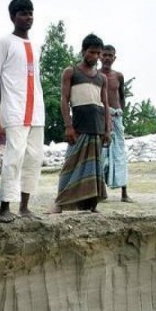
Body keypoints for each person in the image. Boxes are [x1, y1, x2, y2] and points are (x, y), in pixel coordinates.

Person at [0, 0, 45, 222]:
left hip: (36, 111)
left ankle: (25, 206)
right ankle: (5, 207)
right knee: (14, 157)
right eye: (23, 13)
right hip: (14, 110)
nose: (28, 17)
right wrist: (0, 107)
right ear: (13, 17)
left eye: (30, 12)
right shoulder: (5, 42)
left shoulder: (36, 45)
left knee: (34, 157)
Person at [52, 34, 110, 212]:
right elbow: (64, 100)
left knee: (94, 169)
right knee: (70, 165)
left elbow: (106, 105)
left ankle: (91, 205)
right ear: (83, 51)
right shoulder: (71, 72)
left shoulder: (102, 78)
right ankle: (59, 204)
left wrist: (107, 129)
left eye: (98, 53)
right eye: (92, 52)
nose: (96, 57)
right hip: (78, 127)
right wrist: (68, 126)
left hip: (97, 129)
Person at [99, 44, 131, 202]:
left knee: (119, 153)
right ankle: (101, 192)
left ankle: (124, 193)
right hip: (101, 117)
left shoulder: (118, 76)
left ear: (114, 58)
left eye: (110, 55)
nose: (107, 58)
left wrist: (119, 114)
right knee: (101, 154)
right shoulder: (95, 75)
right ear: (100, 56)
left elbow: (122, 96)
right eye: (104, 55)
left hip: (117, 118)